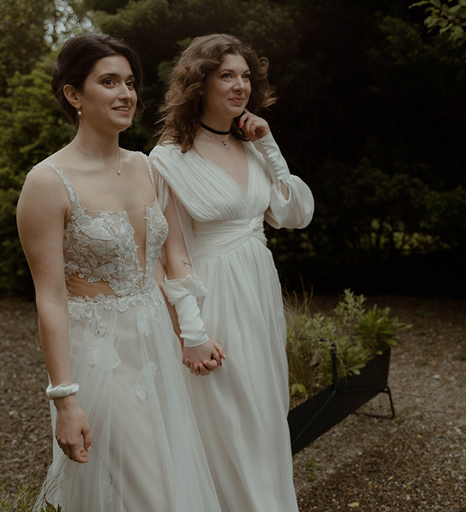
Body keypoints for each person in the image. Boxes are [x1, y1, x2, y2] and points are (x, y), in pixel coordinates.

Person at [16, 34, 221, 512]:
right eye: (108, 82)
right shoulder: (47, 182)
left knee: (173, 481)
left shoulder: (146, 168)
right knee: (145, 492)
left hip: (156, 352)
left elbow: (159, 263)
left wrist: (189, 332)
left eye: (130, 82)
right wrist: (64, 399)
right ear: (73, 94)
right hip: (100, 356)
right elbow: (50, 298)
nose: (126, 94)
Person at [150, 33, 314, 512]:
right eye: (227, 75)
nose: (240, 85)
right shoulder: (167, 159)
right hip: (213, 296)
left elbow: (292, 214)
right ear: (198, 84)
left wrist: (270, 146)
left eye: (246, 76)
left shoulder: (252, 147)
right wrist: (191, 331)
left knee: (265, 416)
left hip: (259, 292)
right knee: (227, 419)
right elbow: (166, 253)